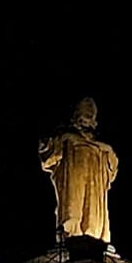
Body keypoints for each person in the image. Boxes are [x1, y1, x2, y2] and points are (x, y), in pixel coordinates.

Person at [39, 98, 118, 245]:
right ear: (76, 117)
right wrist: (48, 146)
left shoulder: (102, 148)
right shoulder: (66, 139)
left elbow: (112, 169)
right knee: (73, 214)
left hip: (95, 191)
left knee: (92, 216)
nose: (87, 119)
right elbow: (48, 157)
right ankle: (70, 237)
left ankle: (95, 244)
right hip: (73, 184)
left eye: (90, 115)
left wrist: (108, 152)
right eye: (84, 115)